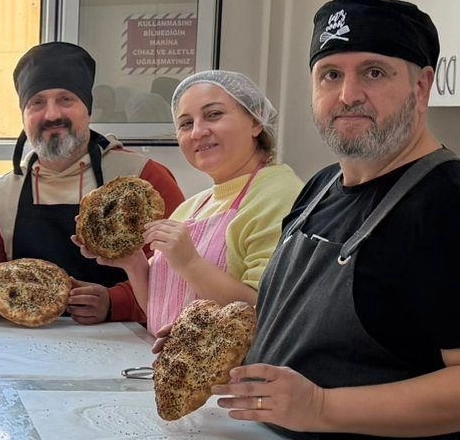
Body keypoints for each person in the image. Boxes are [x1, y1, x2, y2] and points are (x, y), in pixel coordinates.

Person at [212, 0, 460, 440]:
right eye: (330, 74)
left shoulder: (455, 211)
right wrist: (225, 353)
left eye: (375, 72)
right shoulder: (320, 189)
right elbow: (297, 324)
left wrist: (319, 406)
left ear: (422, 86)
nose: (347, 94)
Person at [0, 42, 185, 323]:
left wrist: (115, 301)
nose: (52, 115)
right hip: (26, 343)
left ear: (89, 110)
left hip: (125, 341)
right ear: (23, 116)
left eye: (66, 99)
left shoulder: (142, 178)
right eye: (37, 103)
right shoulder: (4, 194)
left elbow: (179, 274)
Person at [79, 70, 303, 332]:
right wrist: (134, 263)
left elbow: (269, 312)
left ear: (256, 121)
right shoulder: (191, 208)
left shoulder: (280, 195)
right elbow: (160, 308)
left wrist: (190, 263)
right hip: (170, 356)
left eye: (214, 114)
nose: (198, 132)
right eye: (186, 123)